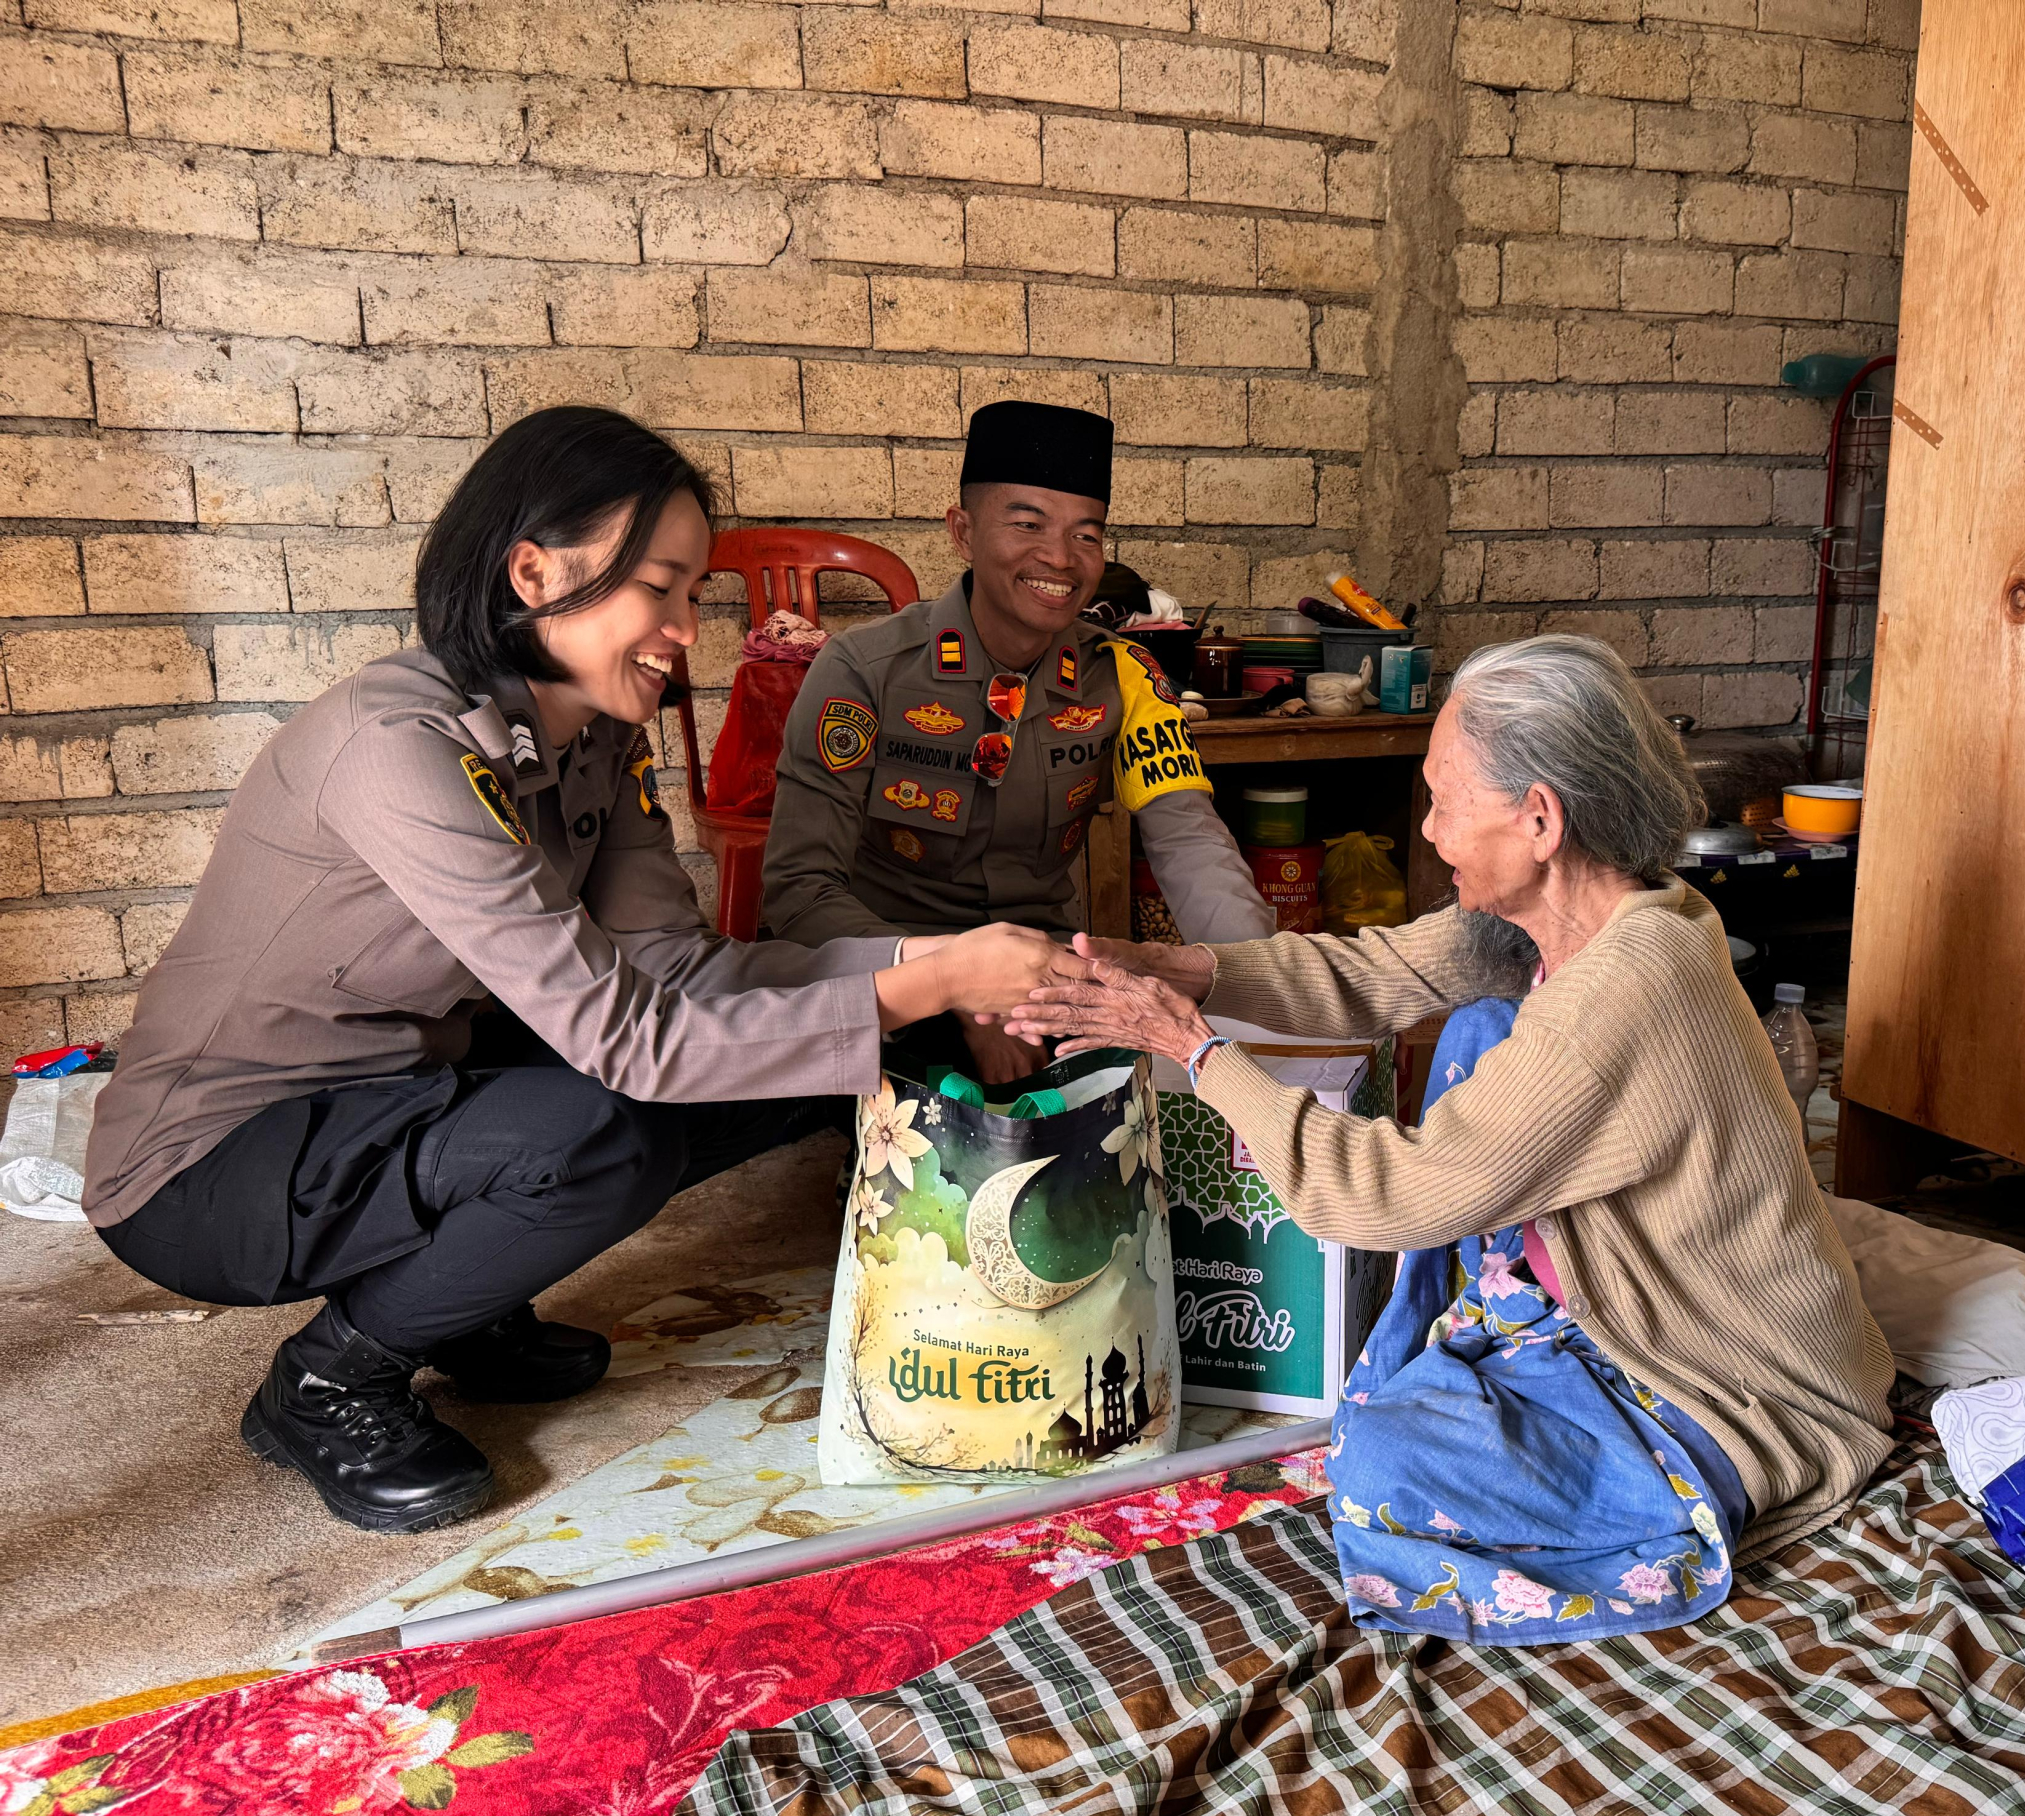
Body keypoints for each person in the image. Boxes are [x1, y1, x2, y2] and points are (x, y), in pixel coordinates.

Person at [83, 407, 1056, 1536]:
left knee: (799, 1055)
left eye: (695, 595)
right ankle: (329, 1378)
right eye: (662, 588)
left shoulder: (598, 738)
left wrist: (935, 964)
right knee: (608, 1125)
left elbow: (680, 978)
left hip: (396, 1086)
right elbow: (631, 1044)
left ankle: (461, 1300)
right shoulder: (399, 749)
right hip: (214, 1163)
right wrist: (933, 983)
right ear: (535, 569)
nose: (690, 630)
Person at [1008, 634, 1896, 1645]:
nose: (1428, 831)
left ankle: (1642, 1482)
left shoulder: (1620, 996)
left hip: (1728, 1383)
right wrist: (1174, 966)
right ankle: (1504, 1347)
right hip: (1605, 1299)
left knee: (1385, 1466)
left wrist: (1193, 1051)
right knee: (1477, 1030)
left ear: (1540, 819)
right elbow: (1370, 975)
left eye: (1441, 801)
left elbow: (1381, 1201)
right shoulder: (1584, 910)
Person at [759, 400, 1272, 1090]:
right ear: (963, 531)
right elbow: (798, 895)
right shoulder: (865, 672)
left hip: (1048, 978)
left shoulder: (1122, 677)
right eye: (1027, 524)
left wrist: (1262, 994)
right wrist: (957, 985)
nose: (1059, 559)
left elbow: (1189, 843)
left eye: (1086, 536)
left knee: (1147, 1106)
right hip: (888, 972)